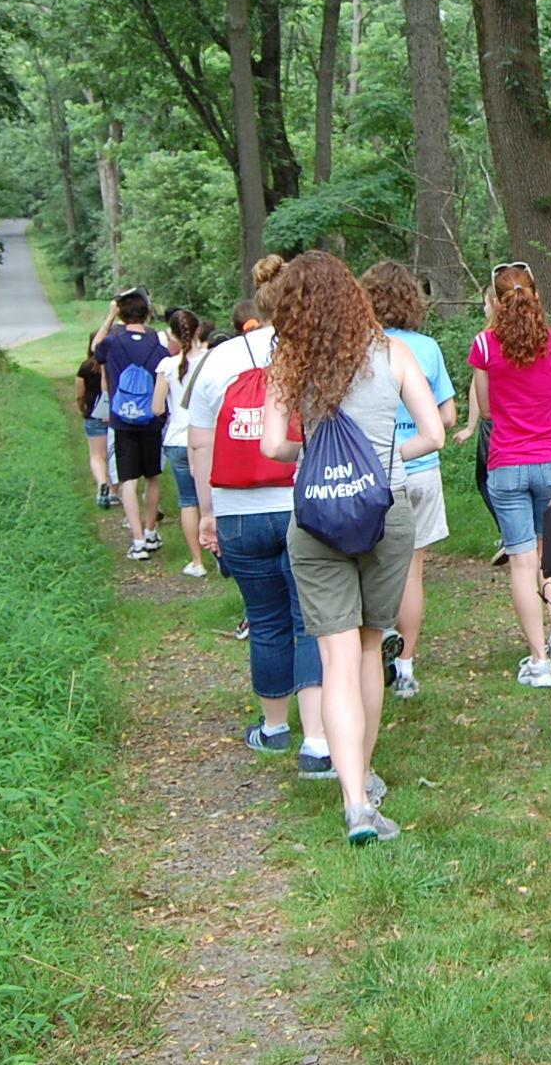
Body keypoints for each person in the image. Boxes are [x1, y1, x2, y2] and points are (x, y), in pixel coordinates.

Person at [260, 251, 445, 845]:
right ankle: (364, 777)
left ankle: (354, 803)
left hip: (314, 519)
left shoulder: (288, 360)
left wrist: (316, 459)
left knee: (334, 657)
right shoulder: (393, 354)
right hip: (382, 514)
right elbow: (435, 433)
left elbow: (270, 447)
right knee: (369, 648)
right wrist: (380, 462)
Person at [187, 256, 328, 775]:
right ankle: (317, 741)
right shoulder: (308, 352)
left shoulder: (218, 361)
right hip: (298, 503)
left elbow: (199, 444)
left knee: (266, 620)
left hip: (236, 510)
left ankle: (273, 729)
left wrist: (207, 514)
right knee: (309, 621)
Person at [469, 262, 551, 689]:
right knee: (549, 555)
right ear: (537, 296)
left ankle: (538, 661)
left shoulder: (484, 345)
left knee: (521, 563)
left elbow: (488, 410)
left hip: (507, 463)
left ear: (495, 302)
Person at [359, 260, 456, 699]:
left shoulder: (359, 346)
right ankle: (407, 666)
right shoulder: (428, 348)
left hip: (373, 474)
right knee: (413, 571)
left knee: (369, 569)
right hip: (420, 471)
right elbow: (447, 416)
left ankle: (368, 653)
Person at [95, 288, 168, 561]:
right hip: (151, 420)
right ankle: (151, 531)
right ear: (147, 314)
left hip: (122, 420)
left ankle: (137, 541)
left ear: (122, 314)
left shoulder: (113, 344)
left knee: (128, 480)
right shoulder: (158, 348)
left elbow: (95, 349)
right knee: (152, 476)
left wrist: (109, 316)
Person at [452, 288, 509, 566]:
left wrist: (474, 424)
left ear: (496, 305)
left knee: (488, 479)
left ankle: (511, 535)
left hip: (496, 423)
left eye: (485, 304)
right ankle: (515, 535)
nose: (484, 309)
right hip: (513, 423)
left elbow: (478, 388)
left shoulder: (486, 342)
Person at [155, 309, 209, 579]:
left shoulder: (166, 366)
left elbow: (156, 408)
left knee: (188, 501)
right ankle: (224, 557)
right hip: (209, 438)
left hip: (177, 438)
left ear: (172, 335)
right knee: (215, 498)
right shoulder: (211, 361)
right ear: (199, 330)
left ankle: (197, 561)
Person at [74, 337, 114, 509]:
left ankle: (101, 482)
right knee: (113, 454)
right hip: (114, 415)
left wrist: (82, 408)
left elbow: (79, 393)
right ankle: (114, 490)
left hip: (93, 414)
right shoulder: (115, 364)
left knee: (97, 455)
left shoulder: (85, 366)